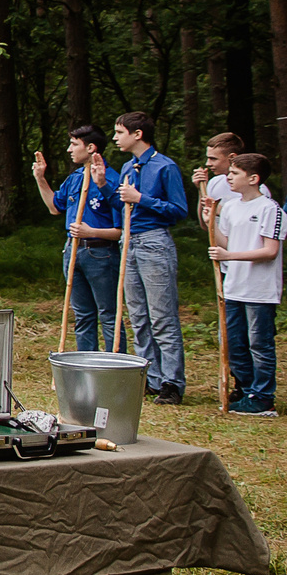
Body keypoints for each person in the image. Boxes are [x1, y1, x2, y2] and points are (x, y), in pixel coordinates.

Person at [114, 112, 191, 404]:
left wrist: (141, 199)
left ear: (137, 134)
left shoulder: (164, 166)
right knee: (139, 317)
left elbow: (178, 210)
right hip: (129, 243)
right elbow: (119, 203)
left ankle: (172, 382)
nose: (115, 138)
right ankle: (149, 377)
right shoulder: (126, 167)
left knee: (162, 317)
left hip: (154, 243)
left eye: (119, 132)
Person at [34, 127, 124, 352]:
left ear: (91, 147)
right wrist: (40, 178)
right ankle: (88, 370)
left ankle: (116, 368)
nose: (69, 149)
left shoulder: (111, 180)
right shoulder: (74, 178)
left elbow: (120, 231)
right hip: (73, 251)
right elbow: (55, 207)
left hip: (102, 253)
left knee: (109, 314)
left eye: (74, 144)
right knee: (83, 315)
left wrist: (91, 231)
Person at [209, 152, 282, 417]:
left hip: (260, 290)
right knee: (233, 343)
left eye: (235, 173)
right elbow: (226, 243)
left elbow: (269, 251)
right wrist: (211, 220)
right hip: (234, 287)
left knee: (259, 344)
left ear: (253, 178)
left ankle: (264, 398)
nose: (228, 176)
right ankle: (249, 390)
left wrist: (230, 256)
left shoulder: (270, 209)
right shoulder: (230, 206)